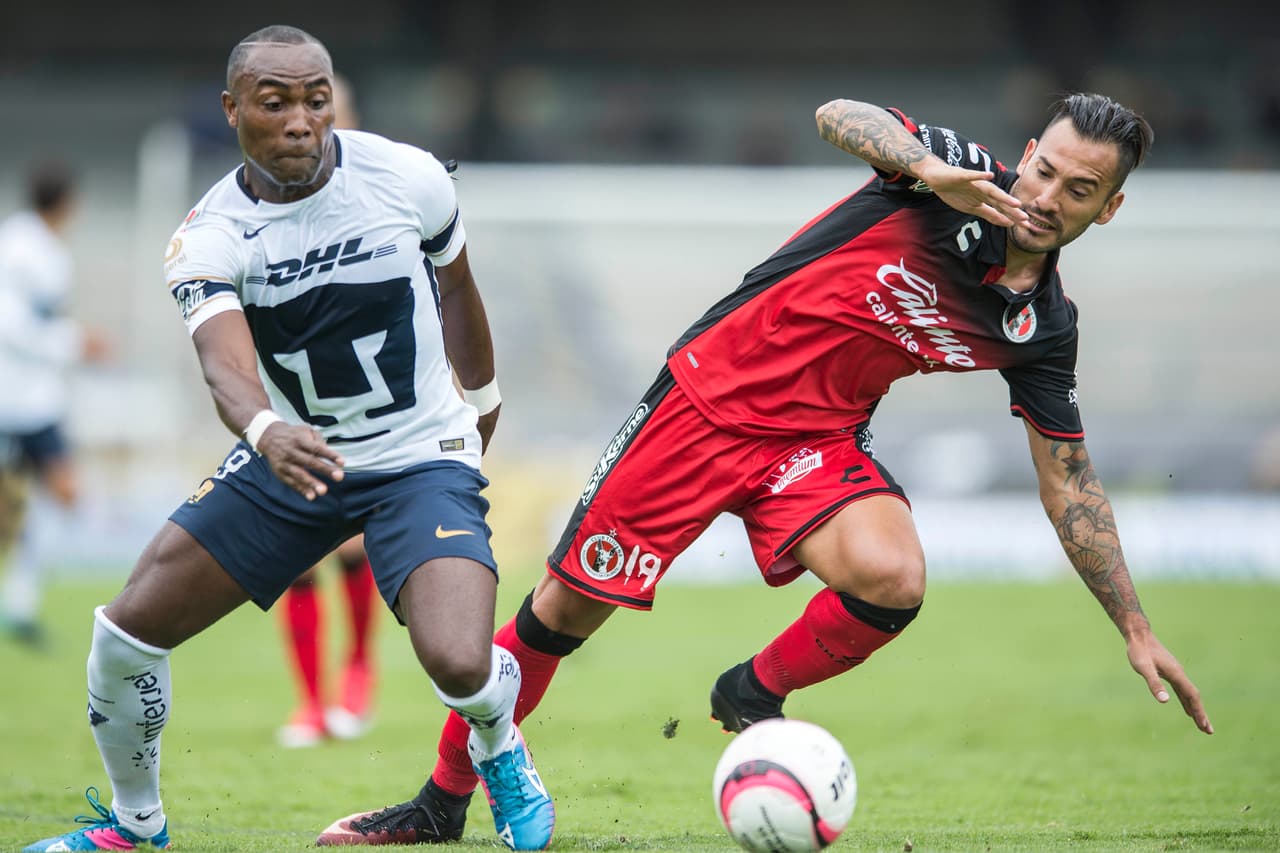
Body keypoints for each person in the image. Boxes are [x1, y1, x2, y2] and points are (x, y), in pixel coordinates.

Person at [316, 92, 1214, 846]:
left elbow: (1071, 484)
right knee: (562, 614)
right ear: (1027, 153)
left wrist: (1133, 627)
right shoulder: (949, 174)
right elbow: (841, 113)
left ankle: (752, 692)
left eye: (1080, 188)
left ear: (1111, 208)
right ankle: (440, 803)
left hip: (816, 443)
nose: (1048, 194)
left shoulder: (1042, 329)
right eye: (1045, 168)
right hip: (701, 406)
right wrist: (925, 167)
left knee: (893, 576)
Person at [24, 25, 554, 853]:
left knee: (457, 660)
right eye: (276, 103)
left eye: (317, 99)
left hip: (418, 454)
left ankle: (499, 742)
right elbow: (224, 364)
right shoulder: (210, 234)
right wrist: (267, 430)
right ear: (234, 111)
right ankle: (133, 826)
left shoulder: (406, 176)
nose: (304, 120)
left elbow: (457, 288)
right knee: (124, 636)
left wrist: (482, 398)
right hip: (296, 456)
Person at [274, 72, 381, 749]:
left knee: (349, 542)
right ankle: (311, 702)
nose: (303, 121)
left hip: (366, 393)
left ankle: (358, 672)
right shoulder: (264, 192)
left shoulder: (378, 187)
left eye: (318, 106)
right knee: (294, 551)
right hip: (289, 389)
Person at [0, 160, 109, 647]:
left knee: (59, 495)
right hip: (10, 399)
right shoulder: (21, 249)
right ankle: (18, 603)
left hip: (36, 403)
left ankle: (19, 605)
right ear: (66, 202)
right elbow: (13, 325)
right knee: (17, 507)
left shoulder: (42, 248)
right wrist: (73, 342)